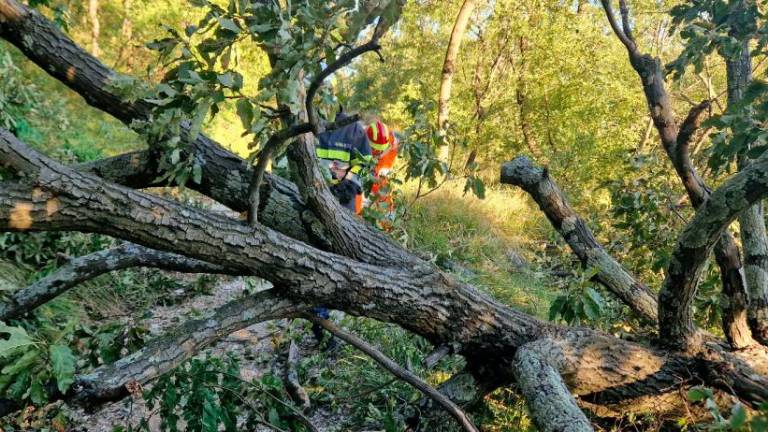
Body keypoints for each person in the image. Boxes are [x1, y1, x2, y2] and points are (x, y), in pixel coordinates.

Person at [308, 109, 373, 349]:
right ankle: (321, 322)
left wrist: (347, 178)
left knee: (341, 258)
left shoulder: (354, 129)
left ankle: (337, 316)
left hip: (344, 201)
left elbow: (366, 163)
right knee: (316, 258)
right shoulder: (308, 123)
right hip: (314, 197)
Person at [316, 109, 372, 215]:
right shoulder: (306, 122)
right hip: (310, 189)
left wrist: (349, 187)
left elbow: (365, 163)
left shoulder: (354, 129)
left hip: (344, 196)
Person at [366, 122, 399, 231]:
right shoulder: (363, 136)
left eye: (380, 149)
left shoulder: (391, 139)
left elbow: (393, 147)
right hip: (373, 165)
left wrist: (382, 156)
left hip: (384, 165)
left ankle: (387, 223)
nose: (378, 152)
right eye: (375, 149)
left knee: (382, 190)